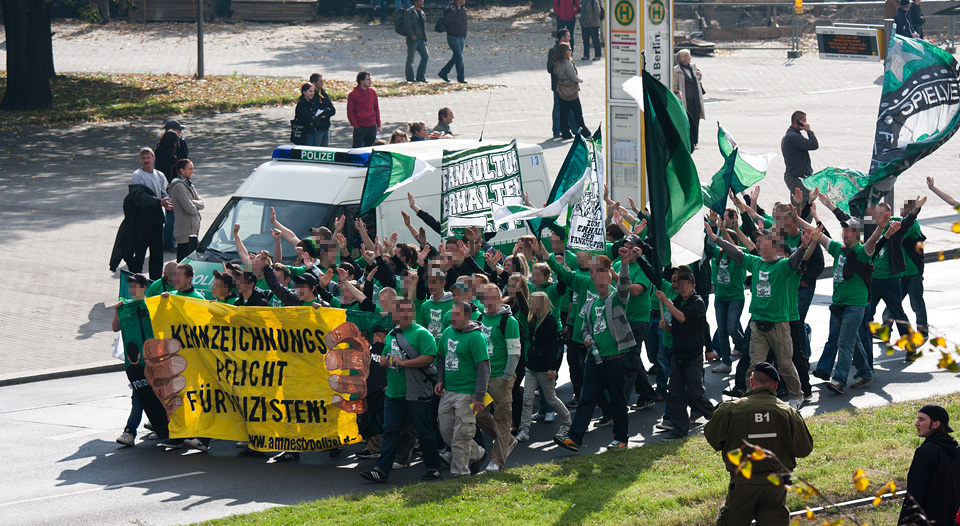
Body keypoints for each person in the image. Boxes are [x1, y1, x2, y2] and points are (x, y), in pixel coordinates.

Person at [711, 226, 818, 410]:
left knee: (785, 365)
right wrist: (716, 237)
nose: (759, 245)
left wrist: (804, 246)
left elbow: (796, 261)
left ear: (775, 246)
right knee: (754, 366)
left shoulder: (783, 266)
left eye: (764, 242)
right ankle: (750, 398)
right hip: (758, 323)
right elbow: (735, 252)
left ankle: (797, 395)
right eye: (759, 242)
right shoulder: (755, 262)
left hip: (779, 324)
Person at [704, 362, 814, 526]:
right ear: (775, 385)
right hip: (776, 486)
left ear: (752, 382)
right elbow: (804, 449)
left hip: (742, 485)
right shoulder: (788, 412)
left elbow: (713, 439)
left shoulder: (730, 410)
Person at [553, 246, 639, 452]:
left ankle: (621, 438)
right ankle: (574, 438)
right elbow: (584, 327)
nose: (600, 280)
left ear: (609, 279)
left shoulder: (616, 299)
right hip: (594, 359)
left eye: (603, 276)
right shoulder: (590, 304)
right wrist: (588, 338)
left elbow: (625, 285)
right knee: (587, 399)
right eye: (596, 276)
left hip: (615, 359)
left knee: (617, 400)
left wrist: (624, 263)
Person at [360, 298, 443, 483]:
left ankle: (433, 468)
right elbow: (386, 354)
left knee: (424, 431)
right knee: (390, 431)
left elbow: (429, 358)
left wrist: (404, 363)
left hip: (416, 392)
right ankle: (381, 470)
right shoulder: (392, 334)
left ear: (412, 313)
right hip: (393, 392)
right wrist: (383, 360)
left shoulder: (422, 333)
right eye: (399, 312)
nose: (402, 315)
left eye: (406, 312)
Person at [808, 219, 887, 394]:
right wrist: (796, 217)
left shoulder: (862, 252)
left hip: (855, 306)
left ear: (857, 234)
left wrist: (881, 227)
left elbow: (872, 241)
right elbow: (819, 236)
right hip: (838, 304)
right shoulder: (838, 249)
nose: (844, 233)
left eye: (849, 230)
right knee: (853, 340)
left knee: (844, 343)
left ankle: (839, 380)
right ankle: (865, 372)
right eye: (843, 229)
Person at [658, 267, 714, 440]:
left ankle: (717, 417)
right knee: (675, 393)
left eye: (687, 284)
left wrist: (709, 348)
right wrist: (667, 327)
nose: (683, 288)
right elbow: (677, 327)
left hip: (693, 355)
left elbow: (683, 318)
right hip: (678, 353)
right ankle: (679, 430)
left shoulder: (697, 302)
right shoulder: (677, 302)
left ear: (693, 286)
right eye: (681, 284)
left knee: (695, 392)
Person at [436, 301, 490, 478]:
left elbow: (483, 368)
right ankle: (477, 453)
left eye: (456, 315)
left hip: (467, 393)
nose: (452, 318)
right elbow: (441, 356)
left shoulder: (476, 338)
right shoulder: (447, 332)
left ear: (467, 316)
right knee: (446, 432)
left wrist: (479, 396)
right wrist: (440, 380)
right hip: (449, 391)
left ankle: (460, 473)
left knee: (462, 434)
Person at [475, 283, 521, 472]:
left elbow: (514, 352)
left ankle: (497, 461)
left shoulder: (509, 321)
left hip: (500, 379)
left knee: (502, 418)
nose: (489, 301)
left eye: (492, 297)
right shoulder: (480, 319)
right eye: (485, 297)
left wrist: (507, 377)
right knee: (478, 413)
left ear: (499, 298)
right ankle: (507, 440)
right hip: (483, 379)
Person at [516, 291, 571, 441]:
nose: (530, 304)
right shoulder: (533, 320)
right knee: (527, 399)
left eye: (532, 302)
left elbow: (553, 347)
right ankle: (525, 430)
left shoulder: (550, 321)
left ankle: (567, 422)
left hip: (545, 367)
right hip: (531, 366)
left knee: (551, 399)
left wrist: (552, 368)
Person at [899, 404, 960, 526]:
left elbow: (915, 494)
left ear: (936, 424)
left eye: (922, 419)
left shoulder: (925, 452)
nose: (916, 424)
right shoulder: (956, 450)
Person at [125, 148, 173, 280]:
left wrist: (167, 201)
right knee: (140, 252)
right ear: (140, 160)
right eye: (143, 158)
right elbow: (140, 197)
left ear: (153, 158)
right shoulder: (137, 175)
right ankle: (136, 281)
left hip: (157, 218)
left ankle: (155, 282)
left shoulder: (159, 175)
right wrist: (159, 202)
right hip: (143, 219)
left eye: (148, 157)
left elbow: (166, 192)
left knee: (157, 253)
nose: (146, 160)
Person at [113, 273, 149, 447]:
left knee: (145, 397)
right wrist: (117, 312)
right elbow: (115, 328)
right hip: (135, 363)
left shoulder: (151, 306)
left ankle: (131, 431)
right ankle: (131, 431)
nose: (132, 289)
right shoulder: (126, 307)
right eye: (131, 286)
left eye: (135, 286)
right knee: (139, 396)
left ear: (144, 288)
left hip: (151, 361)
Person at [167, 159, 205, 262]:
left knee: (191, 263)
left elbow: (202, 204)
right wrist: (194, 204)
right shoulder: (178, 186)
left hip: (193, 231)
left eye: (193, 168)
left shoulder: (189, 184)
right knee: (184, 263)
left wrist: (191, 202)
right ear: (182, 170)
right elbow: (190, 209)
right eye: (190, 169)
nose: (193, 171)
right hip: (184, 233)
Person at [780, 111, 819, 211]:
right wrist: (809, 130)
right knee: (804, 207)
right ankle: (802, 222)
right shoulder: (794, 137)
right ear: (798, 121)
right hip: (796, 178)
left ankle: (800, 221)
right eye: (804, 121)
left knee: (800, 206)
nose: (806, 123)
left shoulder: (791, 135)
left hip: (795, 177)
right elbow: (814, 145)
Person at [553, 43, 591, 140]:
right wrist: (579, 80)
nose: (571, 51)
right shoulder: (567, 63)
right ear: (565, 52)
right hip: (571, 91)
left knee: (563, 114)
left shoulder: (557, 63)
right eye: (569, 49)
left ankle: (565, 132)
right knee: (578, 113)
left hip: (561, 89)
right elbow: (572, 76)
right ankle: (585, 132)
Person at [155, 130, 181, 252]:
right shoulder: (169, 157)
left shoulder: (159, 152)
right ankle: (168, 243)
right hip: (170, 189)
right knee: (171, 217)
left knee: (170, 216)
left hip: (162, 187)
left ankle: (168, 241)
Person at [673, 49, 705, 150]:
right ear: (683, 59)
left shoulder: (693, 67)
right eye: (688, 56)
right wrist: (677, 93)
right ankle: (689, 140)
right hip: (686, 100)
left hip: (695, 99)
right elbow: (675, 85)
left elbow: (698, 78)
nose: (690, 58)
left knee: (696, 120)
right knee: (688, 120)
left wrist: (699, 75)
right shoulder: (676, 70)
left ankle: (695, 140)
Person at [347, 71, 381, 148]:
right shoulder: (353, 94)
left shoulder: (373, 92)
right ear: (361, 81)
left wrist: (378, 125)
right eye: (368, 79)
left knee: (370, 148)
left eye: (370, 79)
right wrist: (355, 125)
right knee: (357, 149)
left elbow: (376, 109)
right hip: (360, 126)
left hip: (372, 125)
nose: (370, 81)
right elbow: (350, 112)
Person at [438, 0, 467, 84]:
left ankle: (444, 72)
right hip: (453, 36)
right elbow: (446, 21)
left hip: (461, 36)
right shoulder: (450, 9)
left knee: (456, 57)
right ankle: (461, 78)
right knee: (459, 56)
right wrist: (453, 12)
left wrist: (464, 34)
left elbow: (464, 23)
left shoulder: (463, 9)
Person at [404, 0, 429, 83]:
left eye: (423, 1)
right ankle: (410, 78)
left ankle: (420, 76)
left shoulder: (422, 12)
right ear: (415, 2)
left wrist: (425, 39)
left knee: (425, 56)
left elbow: (423, 27)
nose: (422, 2)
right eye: (420, 1)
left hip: (421, 39)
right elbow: (407, 25)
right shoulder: (409, 12)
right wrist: (412, 35)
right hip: (413, 39)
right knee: (410, 59)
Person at [309, 73, 336, 147]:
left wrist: (326, 114)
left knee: (325, 149)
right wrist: (326, 110)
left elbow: (332, 110)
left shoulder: (323, 93)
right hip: (317, 128)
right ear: (314, 83)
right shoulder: (312, 96)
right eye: (320, 81)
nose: (322, 83)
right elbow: (316, 111)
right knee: (316, 149)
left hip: (326, 126)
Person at [295, 83, 323, 147]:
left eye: (313, 91)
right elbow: (307, 117)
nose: (312, 93)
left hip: (313, 131)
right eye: (310, 91)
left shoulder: (312, 102)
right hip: (305, 133)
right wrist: (313, 120)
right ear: (304, 92)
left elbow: (318, 114)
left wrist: (314, 121)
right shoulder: (301, 104)